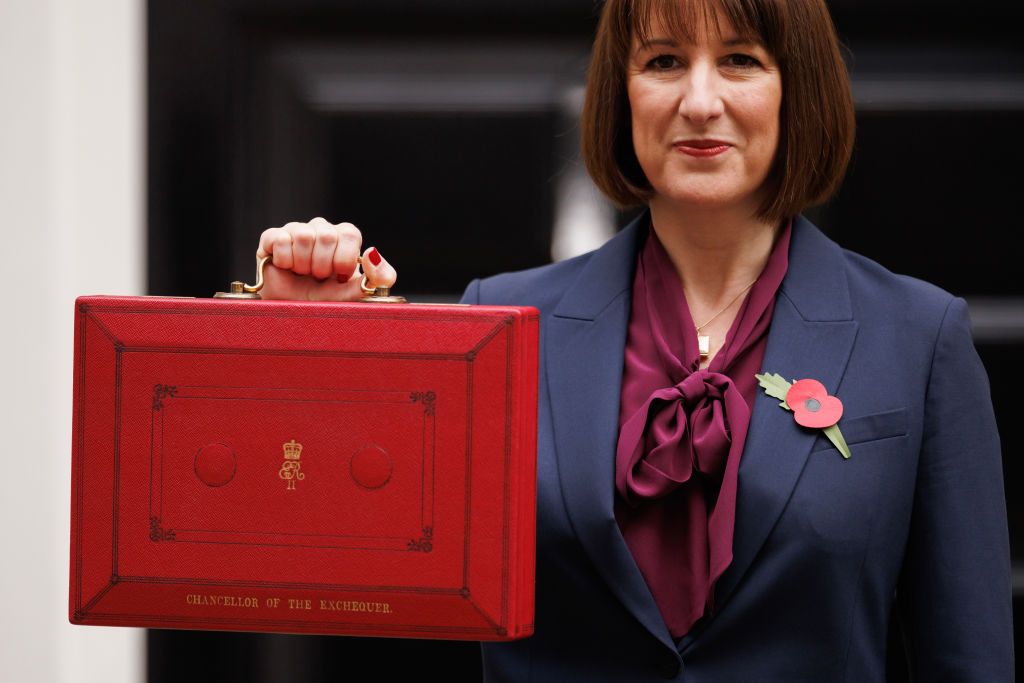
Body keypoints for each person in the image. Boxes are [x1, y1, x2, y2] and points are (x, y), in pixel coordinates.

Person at [255, 0, 1014, 679]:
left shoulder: (919, 339)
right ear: (622, 93)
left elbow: (968, 659)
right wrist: (310, 342)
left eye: (742, 60)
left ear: (799, 88)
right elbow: (336, 550)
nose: (700, 100)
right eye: (663, 61)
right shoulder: (504, 324)